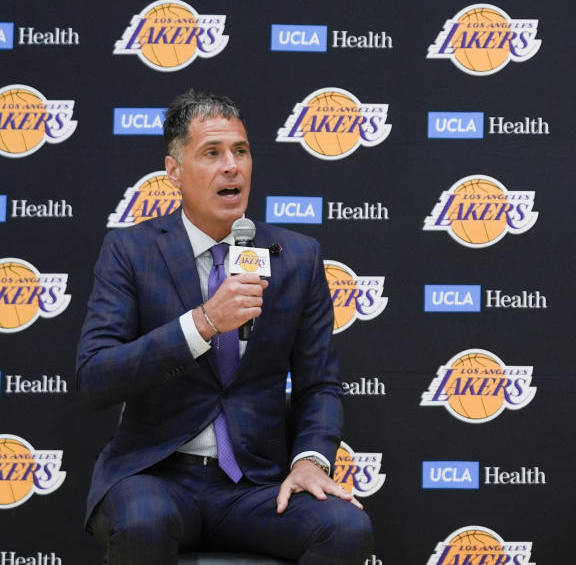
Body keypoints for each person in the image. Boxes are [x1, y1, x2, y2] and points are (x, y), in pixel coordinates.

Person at [77, 89, 373, 564]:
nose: (231, 166)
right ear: (174, 171)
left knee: (345, 527)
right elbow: (95, 376)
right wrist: (204, 323)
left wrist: (310, 461)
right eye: (212, 153)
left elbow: (320, 385)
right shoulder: (131, 252)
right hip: (157, 475)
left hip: (255, 487)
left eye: (241, 151)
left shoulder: (297, 257)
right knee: (143, 523)